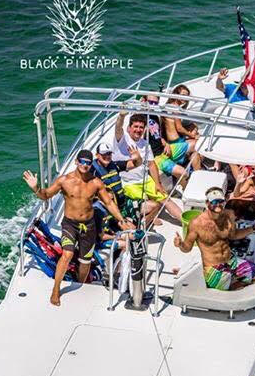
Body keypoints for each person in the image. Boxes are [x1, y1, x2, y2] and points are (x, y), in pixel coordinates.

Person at [23, 149, 133, 306]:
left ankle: (80, 286)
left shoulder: (96, 183)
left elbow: (108, 202)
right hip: (70, 224)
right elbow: (46, 195)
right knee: (67, 254)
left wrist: (121, 219)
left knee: (85, 262)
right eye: (82, 161)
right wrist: (36, 188)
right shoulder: (64, 181)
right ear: (76, 161)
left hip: (88, 226)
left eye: (88, 163)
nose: (85, 165)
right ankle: (56, 290)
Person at [174, 187, 255, 290]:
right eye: (214, 201)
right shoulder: (196, 223)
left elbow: (234, 235)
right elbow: (187, 248)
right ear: (207, 203)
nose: (218, 204)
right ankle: (234, 284)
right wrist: (180, 244)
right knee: (232, 296)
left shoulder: (229, 215)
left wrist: (253, 228)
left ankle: (237, 282)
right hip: (214, 269)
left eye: (220, 201)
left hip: (231, 261)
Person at [114, 111, 182, 224]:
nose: (138, 130)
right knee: (149, 204)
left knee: (165, 198)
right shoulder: (122, 140)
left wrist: (157, 183)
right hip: (129, 183)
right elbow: (118, 128)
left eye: (141, 127)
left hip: (145, 180)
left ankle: (186, 223)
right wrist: (121, 116)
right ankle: (149, 219)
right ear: (129, 128)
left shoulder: (145, 144)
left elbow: (151, 164)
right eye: (135, 126)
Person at [91, 141, 140, 242]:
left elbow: (136, 164)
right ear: (97, 155)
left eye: (109, 154)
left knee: (153, 206)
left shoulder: (115, 165)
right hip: (111, 211)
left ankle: (136, 223)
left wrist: (137, 157)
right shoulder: (93, 172)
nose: (107, 156)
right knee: (133, 232)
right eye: (104, 154)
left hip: (123, 204)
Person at [156, 84, 201, 188]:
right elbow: (179, 128)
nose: (185, 98)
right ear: (176, 94)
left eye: (187, 96)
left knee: (195, 154)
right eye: (183, 95)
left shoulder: (167, 107)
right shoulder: (175, 108)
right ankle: (198, 177)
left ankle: (196, 176)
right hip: (176, 144)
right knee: (199, 144)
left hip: (174, 142)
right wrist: (193, 136)